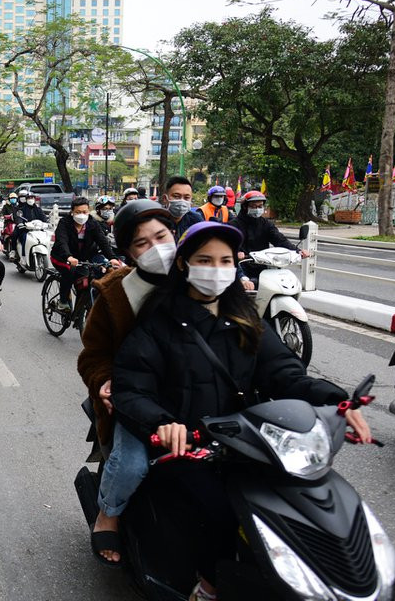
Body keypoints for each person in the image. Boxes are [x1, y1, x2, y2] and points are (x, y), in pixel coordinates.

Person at [110, 221, 371, 601]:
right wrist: (165, 423)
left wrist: (336, 400)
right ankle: (208, 585)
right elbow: (132, 389)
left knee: (298, 499)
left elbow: (285, 373)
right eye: (204, 260)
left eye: (225, 260)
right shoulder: (158, 324)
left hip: (249, 440)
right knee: (221, 512)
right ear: (183, 264)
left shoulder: (247, 318)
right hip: (189, 447)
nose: (215, 269)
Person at [76, 200, 177, 566]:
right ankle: (109, 513)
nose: (156, 249)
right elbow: (93, 355)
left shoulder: (198, 274)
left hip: (198, 397)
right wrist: (104, 381)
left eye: (162, 237)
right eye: (142, 243)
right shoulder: (115, 293)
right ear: (128, 252)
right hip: (135, 402)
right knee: (132, 464)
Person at [50, 198, 121, 312]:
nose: (82, 215)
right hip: (62, 257)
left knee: (85, 282)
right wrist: (68, 256)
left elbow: (102, 241)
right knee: (69, 272)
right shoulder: (65, 223)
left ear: (89, 211)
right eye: (78, 212)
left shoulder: (92, 224)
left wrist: (112, 258)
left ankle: (79, 311)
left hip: (82, 259)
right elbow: (61, 241)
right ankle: (63, 301)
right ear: (72, 212)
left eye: (85, 212)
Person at [232, 190, 311, 263]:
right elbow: (225, 245)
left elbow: (279, 240)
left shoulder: (266, 224)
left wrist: (297, 251)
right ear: (245, 207)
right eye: (253, 206)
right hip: (240, 266)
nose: (257, 209)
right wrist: (236, 253)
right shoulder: (234, 225)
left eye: (260, 206)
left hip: (263, 264)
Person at [162, 176, 203, 241]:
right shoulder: (157, 221)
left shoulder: (196, 220)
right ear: (165, 198)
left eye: (186, 198)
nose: (182, 201)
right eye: (176, 196)